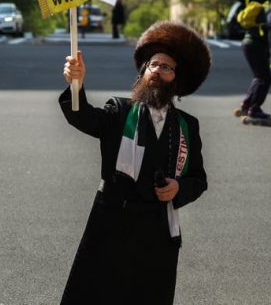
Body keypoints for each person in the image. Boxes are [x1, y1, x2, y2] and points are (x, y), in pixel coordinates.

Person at [59, 21, 209, 305]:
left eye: (166, 67)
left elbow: (199, 180)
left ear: (176, 79)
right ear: (143, 71)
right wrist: (76, 84)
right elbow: (83, 117)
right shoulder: (120, 110)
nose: (157, 71)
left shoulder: (187, 126)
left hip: (157, 232)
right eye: (153, 64)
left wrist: (179, 188)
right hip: (113, 222)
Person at [235, 0, 271, 123]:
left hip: (249, 44)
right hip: (254, 46)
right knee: (265, 79)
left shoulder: (268, 9)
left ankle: (247, 104)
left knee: (259, 77)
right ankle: (254, 110)